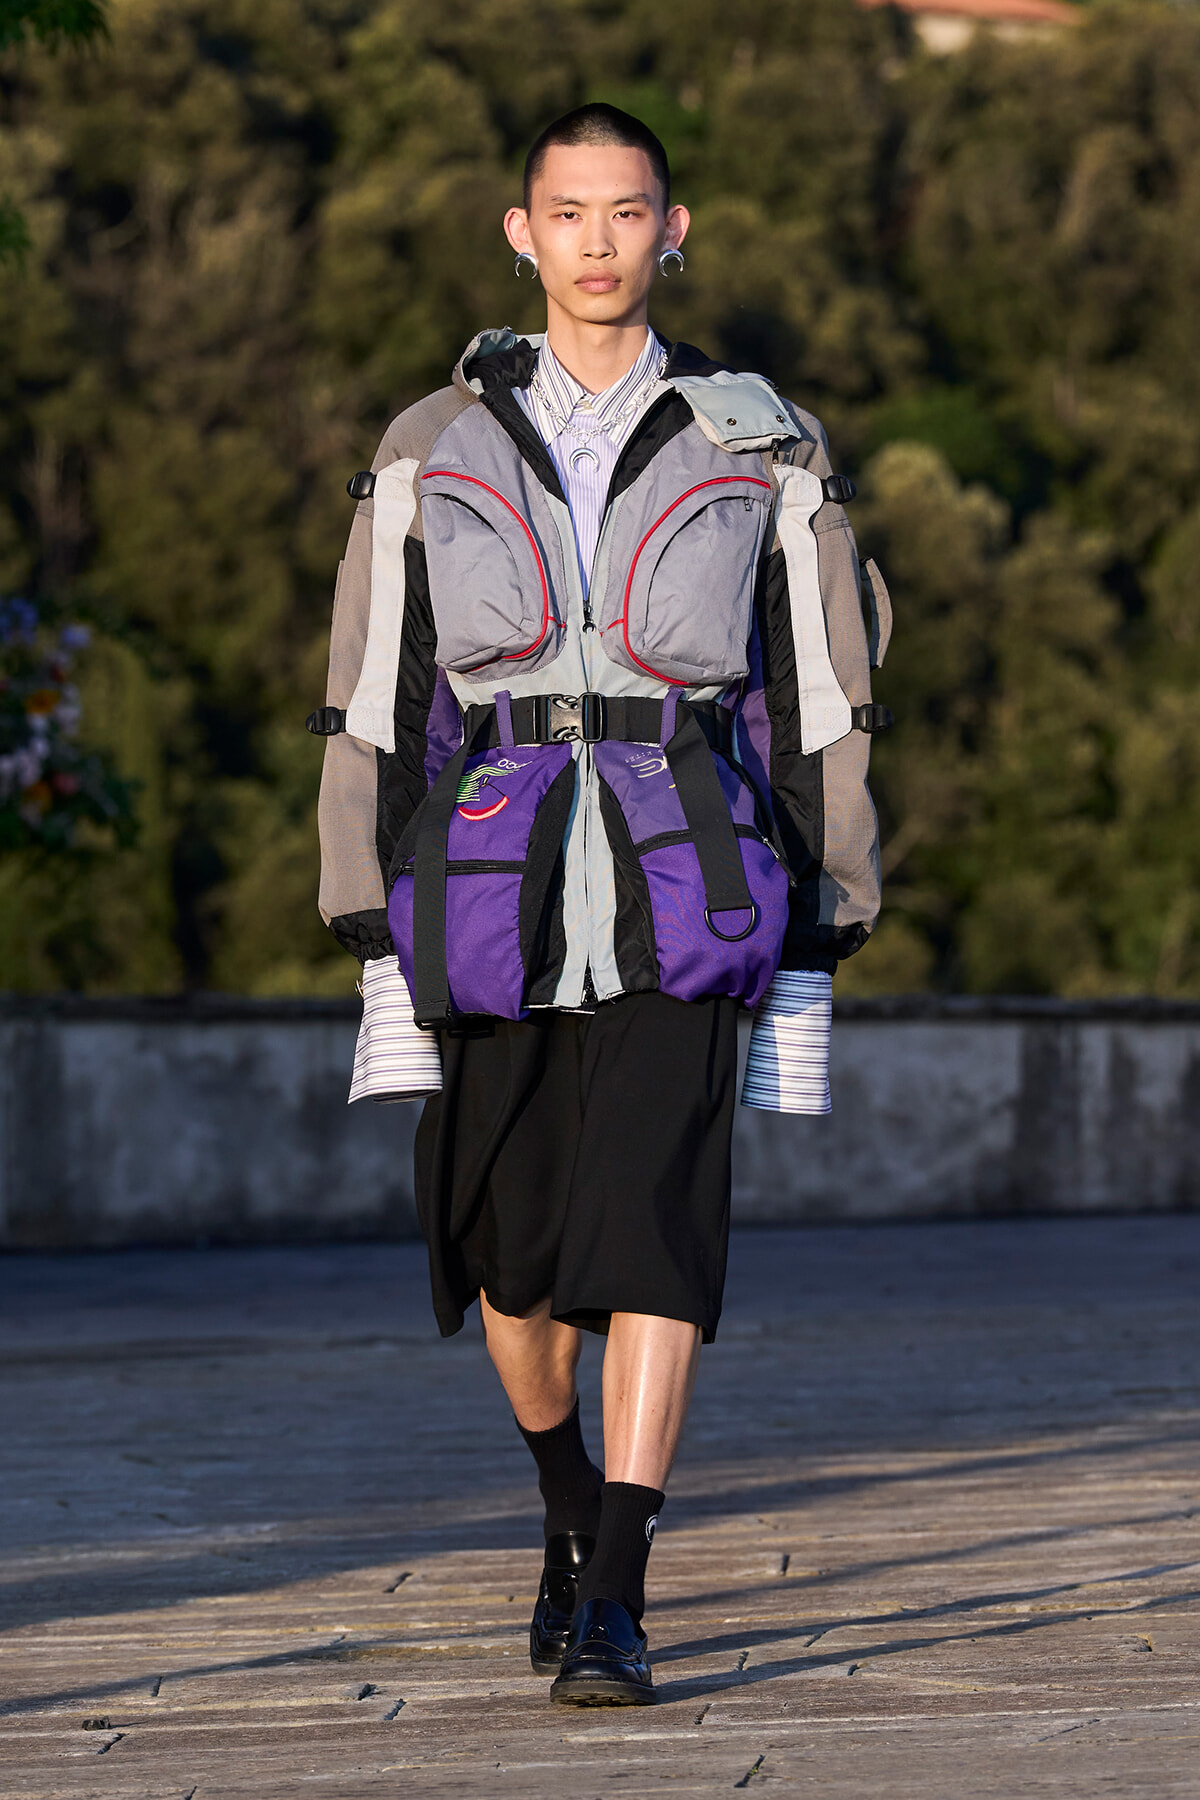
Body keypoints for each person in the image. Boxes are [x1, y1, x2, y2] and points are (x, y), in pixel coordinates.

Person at [312, 103, 886, 1706]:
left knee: (652, 1233)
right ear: (521, 229)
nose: (598, 242)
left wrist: (825, 927)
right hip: (487, 887)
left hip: (684, 876)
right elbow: (377, 693)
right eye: (568, 213)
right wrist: (371, 924)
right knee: (507, 1263)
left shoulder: (758, 439)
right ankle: (567, 1503)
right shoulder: (429, 442)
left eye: (627, 213)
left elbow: (815, 692)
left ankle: (621, 1584)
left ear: (672, 226)